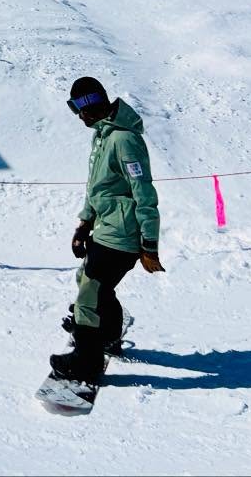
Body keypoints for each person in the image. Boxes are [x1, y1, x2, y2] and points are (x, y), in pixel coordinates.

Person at [47, 76, 163, 390]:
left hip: (122, 235)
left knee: (89, 295)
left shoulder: (124, 140)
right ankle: (107, 335)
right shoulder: (102, 136)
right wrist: (84, 224)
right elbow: (97, 189)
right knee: (89, 281)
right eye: (73, 108)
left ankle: (86, 362)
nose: (77, 115)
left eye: (78, 107)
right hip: (107, 228)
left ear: (93, 104)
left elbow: (144, 192)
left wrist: (149, 243)